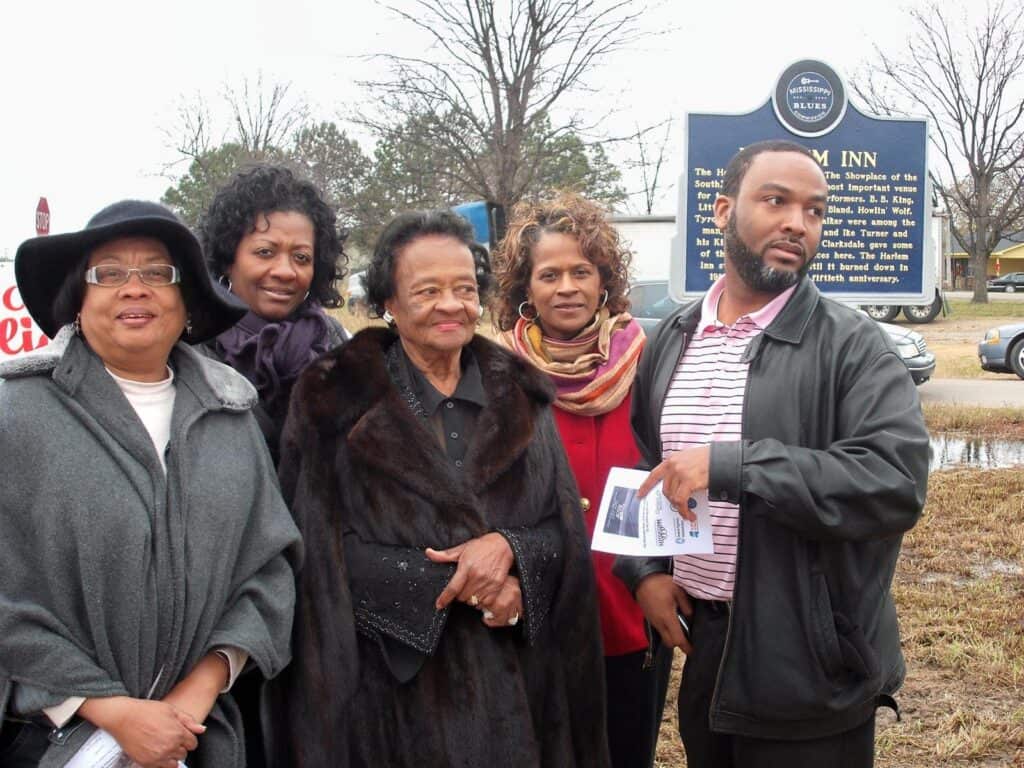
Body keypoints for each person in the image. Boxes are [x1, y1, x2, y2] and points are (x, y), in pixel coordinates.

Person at [614, 140, 930, 767]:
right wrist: (645, 571)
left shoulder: (853, 345)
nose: (797, 223)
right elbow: (645, 463)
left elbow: (894, 483)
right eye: (776, 201)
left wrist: (734, 466)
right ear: (723, 211)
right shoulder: (674, 338)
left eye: (815, 210)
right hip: (707, 649)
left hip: (810, 663)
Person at [266, 209, 610, 767]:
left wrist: (512, 554)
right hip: (388, 700)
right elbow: (316, 552)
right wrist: (463, 582)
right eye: (427, 291)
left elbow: (562, 527)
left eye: (464, 289)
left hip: (518, 691)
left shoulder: (521, 394)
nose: (451, 305)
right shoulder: (333, 396)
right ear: (389, 301)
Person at [0, 201, 301, 768]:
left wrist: (197, 692)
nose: (134, 288)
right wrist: (108, 710)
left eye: (158, 273)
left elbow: (268, 571)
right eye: (109, 273)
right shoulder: (17, 414)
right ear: (77, 299)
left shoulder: (230, 416)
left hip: (196, 738)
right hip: (48, 740)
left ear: (186, 301)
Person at [493, 193, 671, 768]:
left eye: (581, 272)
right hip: (536, 614)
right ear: (526, 288)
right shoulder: (498, 376)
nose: (566, 287)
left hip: (632, 607)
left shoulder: (650, 363)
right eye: (549, 275)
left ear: (604, 281)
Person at [198, 164, 349, 466]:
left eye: (301, 257)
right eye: (265, 252)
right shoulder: (195, 345)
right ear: (228, 259)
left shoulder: (334, 341)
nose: (285, 271)